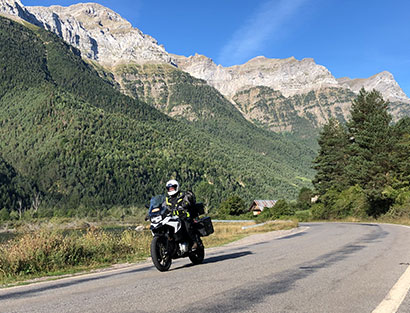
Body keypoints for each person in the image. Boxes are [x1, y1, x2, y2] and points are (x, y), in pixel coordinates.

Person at [165, 179, 199, 250]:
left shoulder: (183, 195)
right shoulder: (167, 200)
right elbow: (162, 207)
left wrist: (185, 204)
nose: (171, 190)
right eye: (169, 188)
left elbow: (188, 201)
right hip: (173, 218)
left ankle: (194, 242)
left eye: (172, 188)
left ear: (176, 187)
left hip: (184, 217)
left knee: (187, 226)